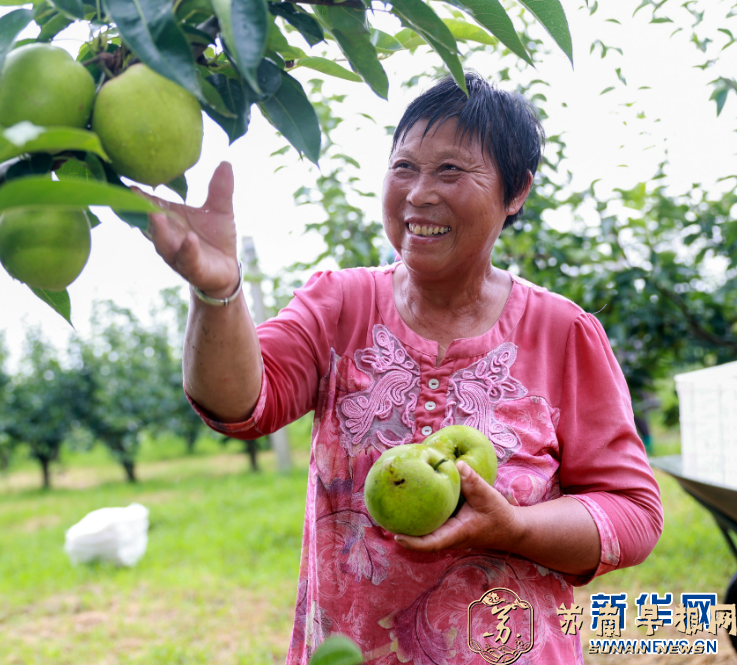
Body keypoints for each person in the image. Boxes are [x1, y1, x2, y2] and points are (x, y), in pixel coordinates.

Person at [142, 72, 663, 664]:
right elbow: (239, 404)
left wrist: (513, 527)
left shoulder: (562, 333)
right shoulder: (340, 304)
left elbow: (632, 512)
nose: (418, 193)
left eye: (450, 170)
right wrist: (218, 291)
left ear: (516, 190)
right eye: (404, 167)